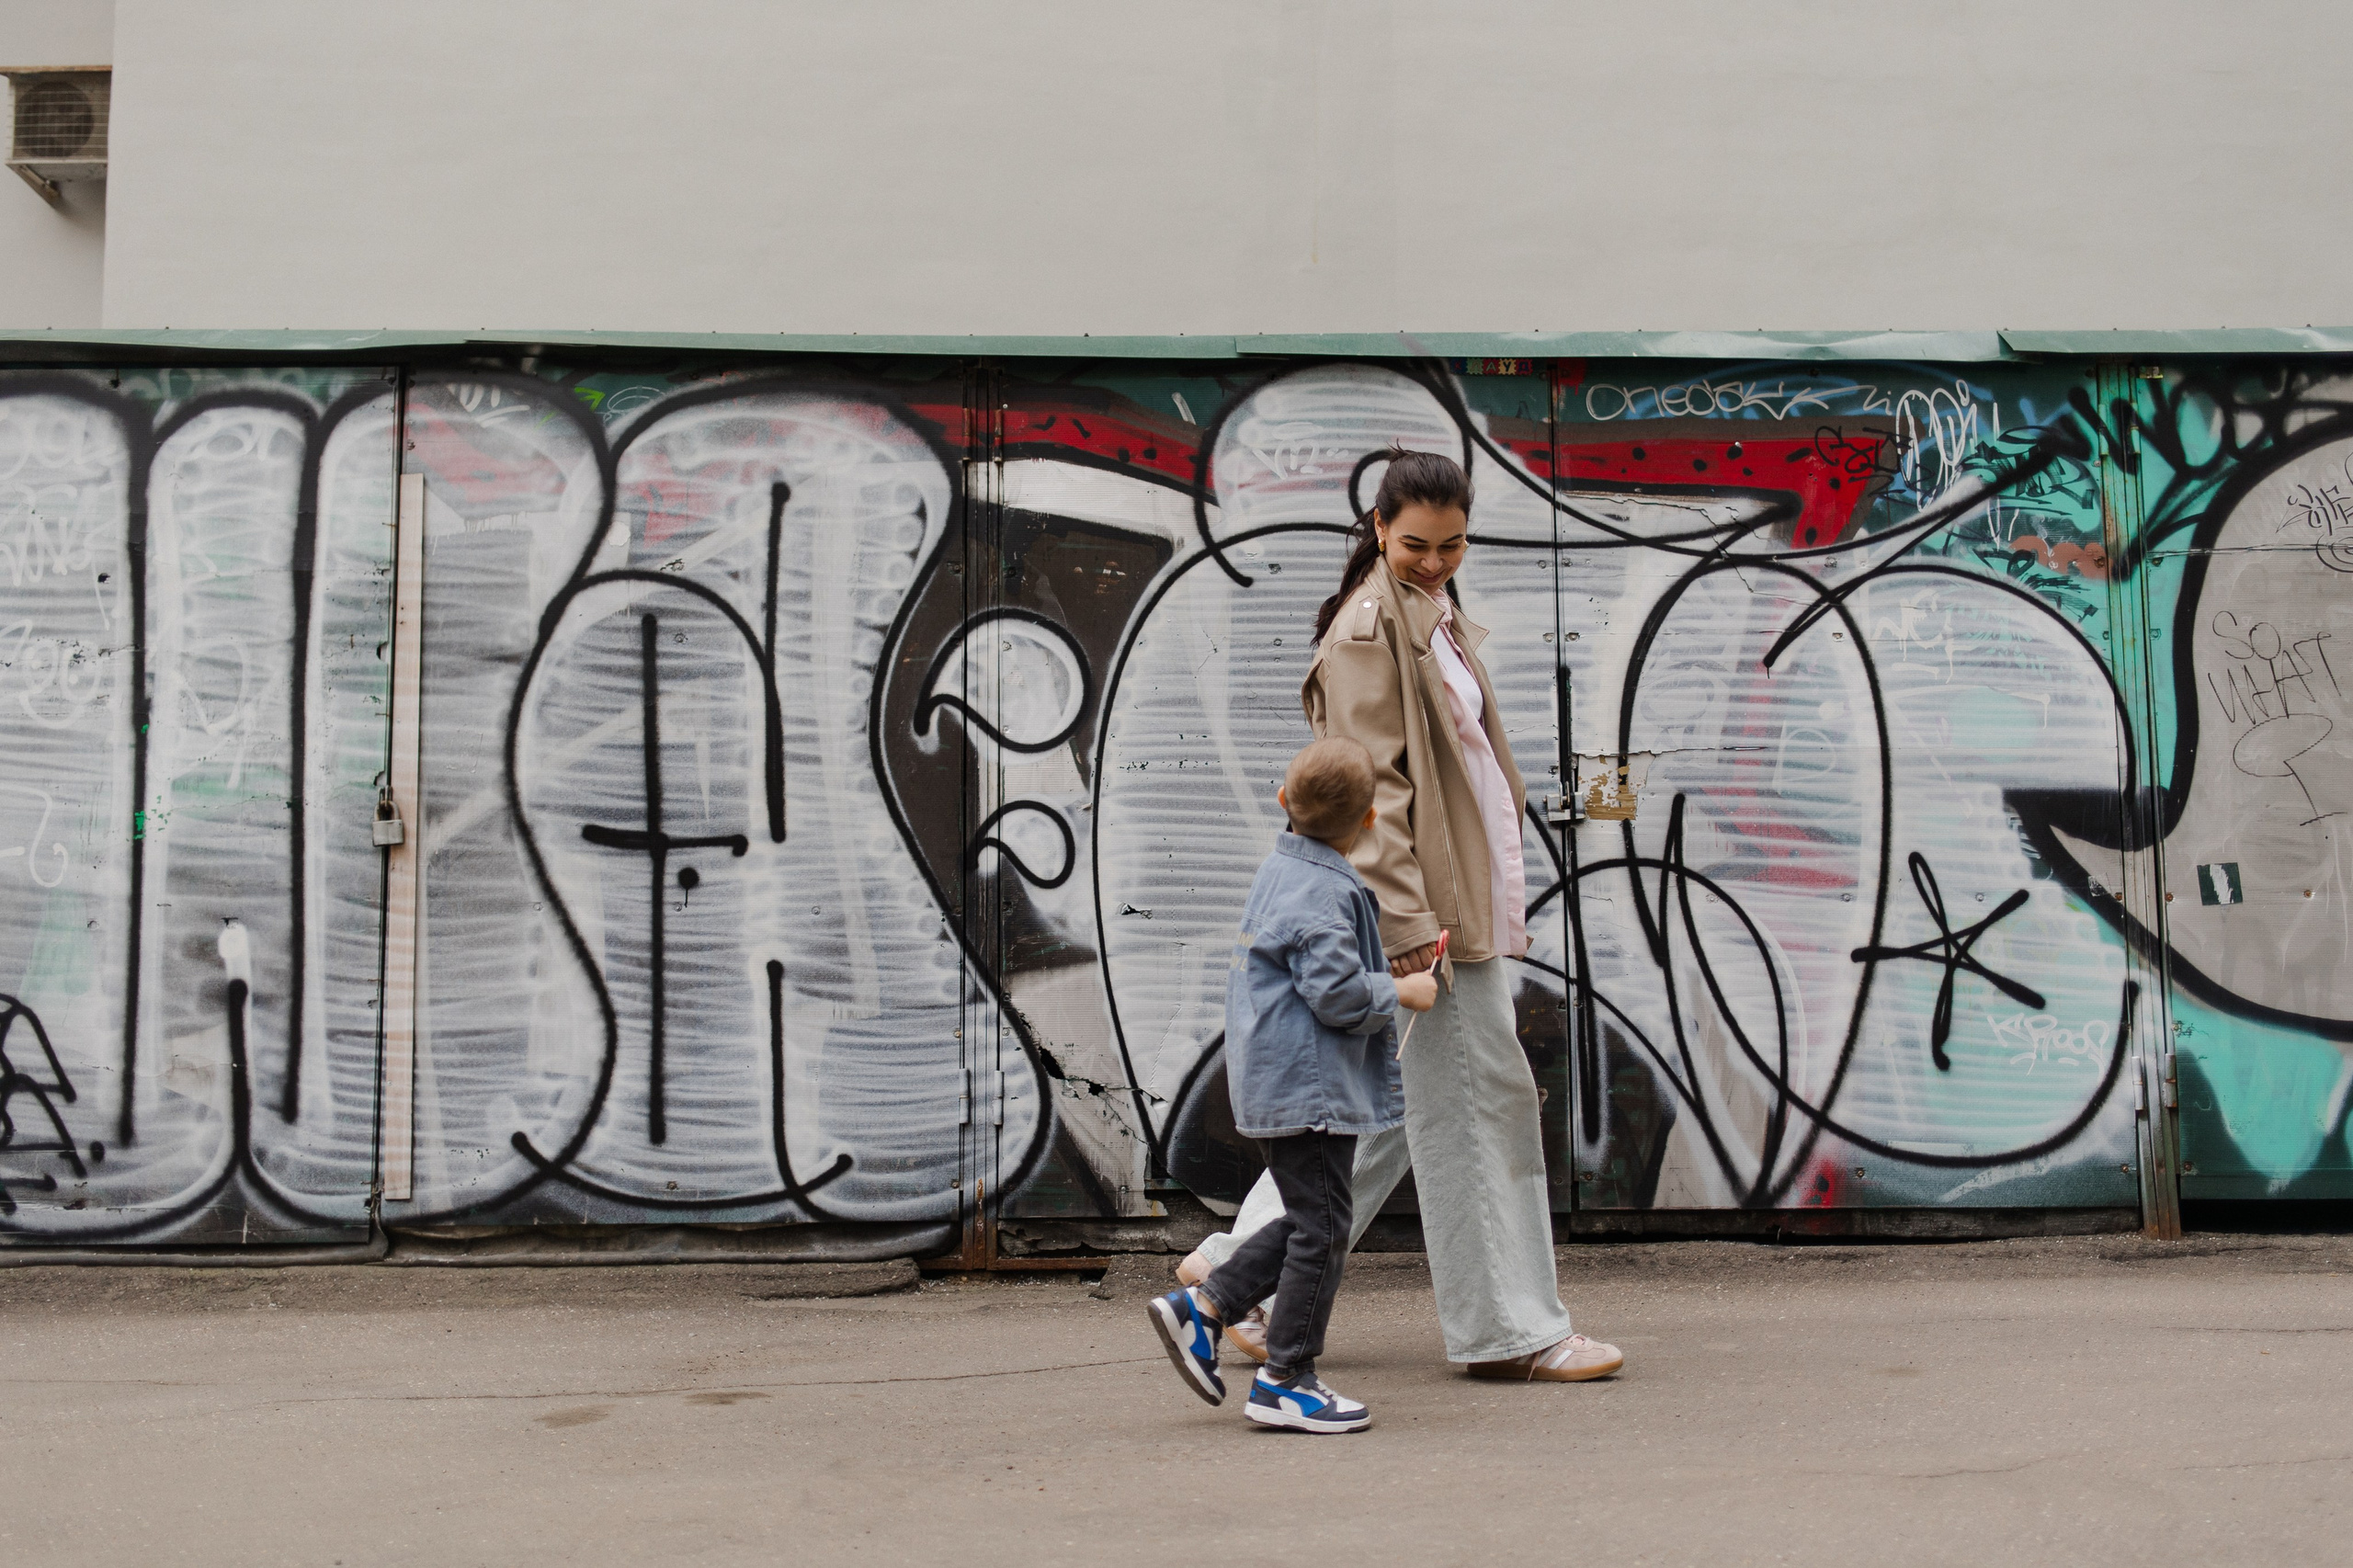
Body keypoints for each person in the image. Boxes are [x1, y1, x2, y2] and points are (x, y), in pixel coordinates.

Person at [1177, 449, 1623, 1384]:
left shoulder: (1429, 610)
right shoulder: (1368, 628)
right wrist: (1412, 925)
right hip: (1431, 916)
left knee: (1391, 1103)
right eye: (1416, 543)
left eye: (1452, 544)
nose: (1435, 559)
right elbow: (1370, 788)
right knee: (1479, 1105)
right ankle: (1510, 1329)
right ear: (1379, 527)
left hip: (1452, 903)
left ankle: (1240, 1276)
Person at [1147, 736, 1438, 1433]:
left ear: (1283, 800)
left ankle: (1206, 1305)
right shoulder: (1327, 891)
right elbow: (1336, 995)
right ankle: (1286, 1379)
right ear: (1370, 820)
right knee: (1323, 1231)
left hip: (1280, 1081)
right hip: (1312, 1089)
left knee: (1314, 1218)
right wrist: (1403, 990)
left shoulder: (1282, 870)